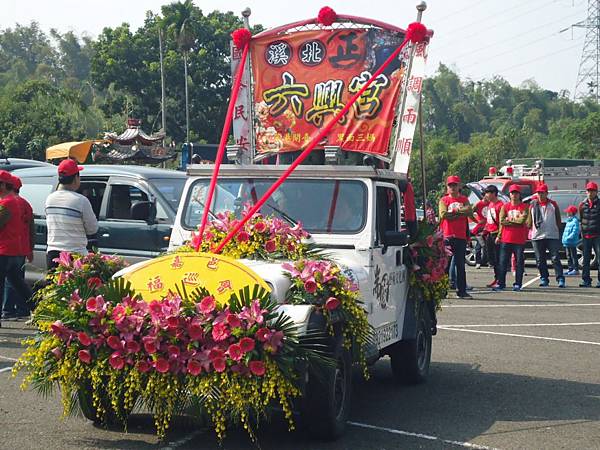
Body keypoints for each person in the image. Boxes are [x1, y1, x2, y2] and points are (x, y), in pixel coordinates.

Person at [45, 159, 98, 270]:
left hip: (53, 255)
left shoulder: (49, 199)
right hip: (75, 255)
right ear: (75, 178)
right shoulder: (81, 201)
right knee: (76, 287)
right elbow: (92, 229)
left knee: (54, 286)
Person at [0, 171, 33, 327]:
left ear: (4, 185)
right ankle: (37, 309)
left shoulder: (6, 203)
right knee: (18, 284)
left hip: (4, 250)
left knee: (9, 285)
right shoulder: (19, 202)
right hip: (16, 250)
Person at [439, 175, 472, 299]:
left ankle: (462, 291)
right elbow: (443, 215)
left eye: (455, 185)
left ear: (459, 186)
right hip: (447, 235)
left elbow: (469, 211)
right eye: (450, 185)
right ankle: (442, 291)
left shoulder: (464, 199)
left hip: (461, 236)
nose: (452, 187)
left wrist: (453, 213)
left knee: (460, 265)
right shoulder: (444, 200)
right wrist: (459, 212)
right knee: (445, 265)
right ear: (447, 187)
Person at [527, 184, 565, 287]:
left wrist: (558, 231)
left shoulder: (553, 205)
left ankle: (560, 278)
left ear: (546, 193)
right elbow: (529, 220)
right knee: (540, 259)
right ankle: (544, 278)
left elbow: (558, 220)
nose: (540, 195)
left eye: (542, 193)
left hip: (551, 235)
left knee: (555, 258)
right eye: (538, 193)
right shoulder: (532, 205)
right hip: (537, 235)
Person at [494, 185, 530, 292]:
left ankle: (518, 283)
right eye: (512, 193)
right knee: (503, 262)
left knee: (519, 262)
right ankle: (501, 283)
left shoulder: (524, 207)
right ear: (509, 194)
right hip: (506, 238)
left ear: (519, 195)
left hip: (519, 240)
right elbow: (501, 221)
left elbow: (522, 221)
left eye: (516, 193)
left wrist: (509, 221)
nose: (514, 195)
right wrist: (499, 235)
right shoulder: (505, 207)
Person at [481, 185, 504, 288]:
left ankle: (500, 279)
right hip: (490, 233)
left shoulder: (500, 205)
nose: (486, 195)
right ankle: (496, 278)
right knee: (491, 257)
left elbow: (501, 222)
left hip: (497, 234)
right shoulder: (490, 204)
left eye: (488, 193)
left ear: (494, 193)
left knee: (498, 257)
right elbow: (489, 220)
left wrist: (499, 235)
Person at [578, 181, 600, 288]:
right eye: (588, 191)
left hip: (597, 236)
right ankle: (586, 280)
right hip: (586, 236)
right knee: (586, 260)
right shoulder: (582, 205)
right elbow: (581, 219)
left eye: (592, 191)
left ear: (596, 192)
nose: (590, 193)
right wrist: (581, 233)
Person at [562, 205, 580, 276]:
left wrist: (570, 237)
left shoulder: (575, 221)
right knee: (568, 255)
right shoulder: (569, 220)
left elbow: (575, 231)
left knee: (573, 255)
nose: (567, 213)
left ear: (572, 212)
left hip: (571, 241)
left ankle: (576, 269)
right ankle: (570, 268)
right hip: (567, 241)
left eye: (568, 212)